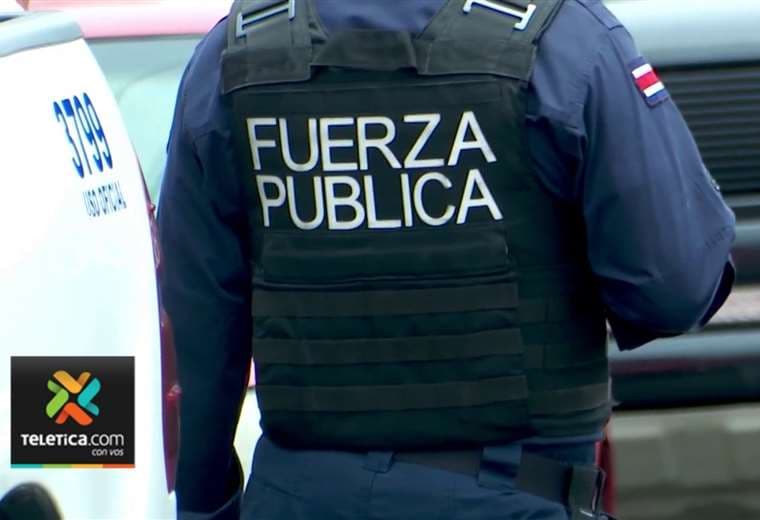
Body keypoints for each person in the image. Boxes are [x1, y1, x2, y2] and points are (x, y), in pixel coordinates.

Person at [157, 0, 736, 518]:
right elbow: (672, 289)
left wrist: (203, 502)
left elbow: (191, 327)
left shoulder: (233, 54)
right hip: (515, 491)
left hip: (299, 495)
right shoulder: (565, 40)